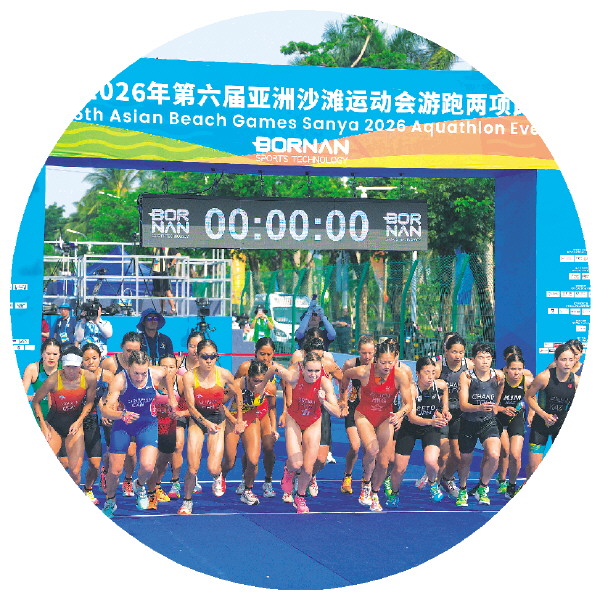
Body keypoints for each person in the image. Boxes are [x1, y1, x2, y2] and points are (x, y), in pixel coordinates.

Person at [100, 350, 177, 518]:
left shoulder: (156, 373)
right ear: (128, 367)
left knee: (148, 466)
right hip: (123, 425)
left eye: (143, 373)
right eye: (136, 373)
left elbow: (168, 374)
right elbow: (106, 410)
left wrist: (171, 397)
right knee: (115, 471)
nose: (140, 377)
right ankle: (110, 501)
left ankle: (139, 486)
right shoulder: (119, 380)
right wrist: (121, 414)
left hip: (147, 424)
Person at [340, 338, 412, 511]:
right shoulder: (364, 371)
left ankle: (375, 493)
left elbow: (409, 403)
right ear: (376, 360)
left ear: (395, 359)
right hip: (364, 415)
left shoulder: (400, 375)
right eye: (383, 362)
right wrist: (343, 399)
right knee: (372, 450)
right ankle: (366, 482)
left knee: (384, 462)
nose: (387, 366)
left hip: (386, 417)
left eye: (390, 362)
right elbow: (346, 375)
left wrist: (400, 414)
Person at [178, 340, 245, 515]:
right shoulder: (189, 377)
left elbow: (238, 393)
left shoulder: (224, 374)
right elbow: (191, 407)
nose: (208, 360)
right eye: (204, 357)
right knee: (192, 467)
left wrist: (239, 420)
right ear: (197, 356)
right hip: (198, 420)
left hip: (217, 419)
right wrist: (206, 424)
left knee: (213, 467)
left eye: (212, 356)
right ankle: (187, 501)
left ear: (217, 356)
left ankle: (218, 476)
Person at [275, 352, 342, 513]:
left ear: (321, 370)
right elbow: (273, 368)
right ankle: (288, 471)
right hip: (294, 419)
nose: (313, 374)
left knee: (307, 467)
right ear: (303, 369)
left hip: (313, 422)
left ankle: (300, 497)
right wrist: (263, 382)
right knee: (296, 463)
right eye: (310, 370)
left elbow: (337, 412)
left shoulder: (324, 383)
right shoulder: (294, 377)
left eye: (317, 371)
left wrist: (323, 402)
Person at [30, 346, 97, 490]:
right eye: (67, 367)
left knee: (75, 471)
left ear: (80, 365)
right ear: (63, 365)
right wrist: (43, 426)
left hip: (74, 426)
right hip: (54, 425)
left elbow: (90, 402)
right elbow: (36, 401)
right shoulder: (53, 380)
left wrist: (79, 421)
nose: (71, 371)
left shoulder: (89, 378)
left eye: (75, 367)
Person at [387, 357, 450, 507]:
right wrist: (432, 421)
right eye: (426, 372)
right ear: (417, 373)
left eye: (433, 372)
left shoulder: (440, 385)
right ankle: (394, 493)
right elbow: (412, 417)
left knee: (431, 462)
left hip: (430, 429)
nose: (430, 376)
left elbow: (445, 392)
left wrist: (445, 410)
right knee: (399, 468)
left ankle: (433, 484)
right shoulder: (411, 390)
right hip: (410, 428)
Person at [287, 335, 343, 498]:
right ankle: (294, 476)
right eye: (313, 355)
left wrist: (343, 400)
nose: (313, 373)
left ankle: (309, 477)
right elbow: (286, 381)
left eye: (320, 356)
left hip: (318, 411)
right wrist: (287, 403)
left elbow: (343, 379)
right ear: (305, 356)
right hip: (298, 412)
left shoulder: (328, 367)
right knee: (298, 460)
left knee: (320, 459)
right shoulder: (296, 367)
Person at [455, 342, 505, 507]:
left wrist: (496, 405)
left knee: (494, 455)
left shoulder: (498, 376)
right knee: (465, 460)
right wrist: (479, 407)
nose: (485, 361)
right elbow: (463, 405)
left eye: (488, 358)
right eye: (481, 357)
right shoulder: (466, 377)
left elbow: (501, 388)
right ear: (473, 359)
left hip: (488, 422)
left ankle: (483, 488)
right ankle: (462, 489)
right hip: (468, 422)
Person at [222, 360, 277, 505]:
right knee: (229, 461)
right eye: (255, 381)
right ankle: (221, 476)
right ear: (248, 377)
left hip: (251, 419)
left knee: (253, 460)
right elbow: (219, 403)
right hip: (233, 419)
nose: (258, 385)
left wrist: (273, 428)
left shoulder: (270, 387)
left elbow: (272, 407)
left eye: (261, 381)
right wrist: (235, 422)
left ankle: (247, 491)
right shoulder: (237, 384)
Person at [234, 337, 280, 498]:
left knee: (269, 447)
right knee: (250, 451)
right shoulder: (245, 367)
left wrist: (275, 425)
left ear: (274, 354)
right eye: (262, 354)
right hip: (248, 413)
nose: (265, 358)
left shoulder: (276, 370)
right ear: (255, 353)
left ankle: (268, 481)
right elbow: (233, 389)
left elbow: (274, 402)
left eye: (269, 354)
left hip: (264, 414)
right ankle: (245, 479)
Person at [525, 343, 578, 480]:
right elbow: (528, 397)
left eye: (570, 360)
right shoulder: (544, 377)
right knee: (534, 468)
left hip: (561, 426)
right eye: (563, 359)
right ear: (556, 360)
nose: (567, 363)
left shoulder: (576, 381)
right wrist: (543, 415)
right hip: (540, 425)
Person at [100, 331, 143, 497]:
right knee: (114, 451)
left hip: (133, 414)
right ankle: (105, 471)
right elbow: (99, 390)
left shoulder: (142, 364)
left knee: (131, 453)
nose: (132, 354)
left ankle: (128, 479)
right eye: (128, 350)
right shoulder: (109, 364)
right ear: (121, 348)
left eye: (135, 351)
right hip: (113, 413)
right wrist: (105, 411)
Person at [145, 354, 188, 510]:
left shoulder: (181, 382)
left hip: (171, 424)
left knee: (163, 460)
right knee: (150, 462)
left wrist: (180, 413)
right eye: (164, 367)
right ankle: (149, 492)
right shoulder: (150, 381)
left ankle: (158, 485)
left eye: (171, 367)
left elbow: (191, 407)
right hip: (151, 425)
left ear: (177, 368)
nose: (168, 370)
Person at [434, 334, 473, 498]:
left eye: (461, 352)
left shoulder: (469, 366)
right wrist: (437, 412)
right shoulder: (438, 368)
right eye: (454, 352)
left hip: (459, 414)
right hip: (441, 414)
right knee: (443, 453)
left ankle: (447, 478)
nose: (458, 356)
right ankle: (434, 483)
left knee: (457, 456)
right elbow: (427, 392)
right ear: (446, 352)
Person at [22, 338, 68, 468]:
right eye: (48, 353)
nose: (51, 357)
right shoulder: (33, 369)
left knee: (65, 462)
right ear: (42, 354)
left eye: (55, 354)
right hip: (39, 416)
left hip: (60, 418)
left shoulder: (65, 369)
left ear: (60, 355)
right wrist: (33, 397)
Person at [340, 335, 376, 494]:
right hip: (354, 408)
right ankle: (347, 476)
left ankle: (366, 480)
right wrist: (343, 402)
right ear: (358, 352)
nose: (367, 356)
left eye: (370, 353)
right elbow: (343, 384)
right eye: (363, 353)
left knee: (370, 449)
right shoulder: (351, 364)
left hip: (371, 410)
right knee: (355, 446)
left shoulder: (379, 366)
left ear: (375, 351)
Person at [80, 343, 114, 504]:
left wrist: (107, 409)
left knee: (94, 463)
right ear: (81, 360)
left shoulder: (108, 376)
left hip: (94, 420)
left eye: (94, 358)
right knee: (70, 462)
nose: (91, 362)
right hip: (76, 420)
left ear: (100, 358)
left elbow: (114, 396)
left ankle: (87, 489)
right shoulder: (75, 375)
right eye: (86, 359)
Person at [496, 352, 532, 499]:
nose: (516, 373)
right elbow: (493, 406)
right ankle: (501, 480)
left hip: (516, 419)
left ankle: (512, 485)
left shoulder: (526, 381)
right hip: (499, 419)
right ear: (506, 369)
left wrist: (531, 413)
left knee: (516, 455)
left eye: (519, 369)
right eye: (513, 369)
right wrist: (503, 409)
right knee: (505, 451)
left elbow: (532, 398)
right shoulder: (500, 382)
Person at [151, 247, 178, 315]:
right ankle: (163, 309)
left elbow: (178, 255)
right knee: (160, 292)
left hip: (164, 271)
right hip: (156, 271)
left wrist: (171, 264)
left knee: (167, 291)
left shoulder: (168, 247)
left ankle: (173, 309)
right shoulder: (155, 248)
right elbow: (155, 258)